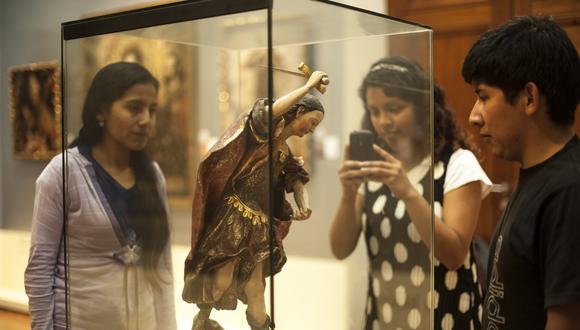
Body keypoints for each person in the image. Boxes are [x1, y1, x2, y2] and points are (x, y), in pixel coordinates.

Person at [330, 56, 492, 330]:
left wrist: (407, 191)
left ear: (421, 108)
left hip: (446, 314)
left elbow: (453, 255)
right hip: (386, 315)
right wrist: (348, 194)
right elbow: (340, 249)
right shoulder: (375, 166)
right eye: (375, 111)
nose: (383, 121)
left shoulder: (457, 163)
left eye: (394, 108)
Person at [24, 62, 177, 330]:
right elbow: (39, 271)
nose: (146, 120)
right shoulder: (63, 173)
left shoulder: (152, 175)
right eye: (134, 108)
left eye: (152, 110)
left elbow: (162, 269)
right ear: (101, 110)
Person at [182, 71, 328, 330]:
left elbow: (296, 183)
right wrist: (307, 86)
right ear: (298, 111)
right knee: (221, 280)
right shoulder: (262, 133)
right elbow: (270, 112)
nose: (312, 130)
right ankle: (201, 321)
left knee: (256, 288)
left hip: (260, 225)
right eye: (312, 121)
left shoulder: (285, 153)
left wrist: (303, 205)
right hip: (234, 215)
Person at [462, 15, 580, 330]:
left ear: (529, 98)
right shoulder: (534, 176)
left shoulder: (569, 190)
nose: (474, 116)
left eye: (483, 96)